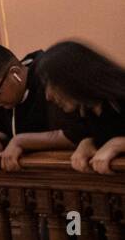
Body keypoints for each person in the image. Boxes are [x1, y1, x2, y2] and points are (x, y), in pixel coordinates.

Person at [30, 41, 125, 174]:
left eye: (52, 84)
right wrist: (89, 142)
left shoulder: (119, 98)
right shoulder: (87, 109)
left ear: (75, 77)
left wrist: (118, 144)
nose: (48, 96)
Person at [0, 43, 57, 172]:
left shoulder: (49, 80)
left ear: (15, 73)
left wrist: (21, 141)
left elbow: (75, 133)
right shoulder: (1, 97)